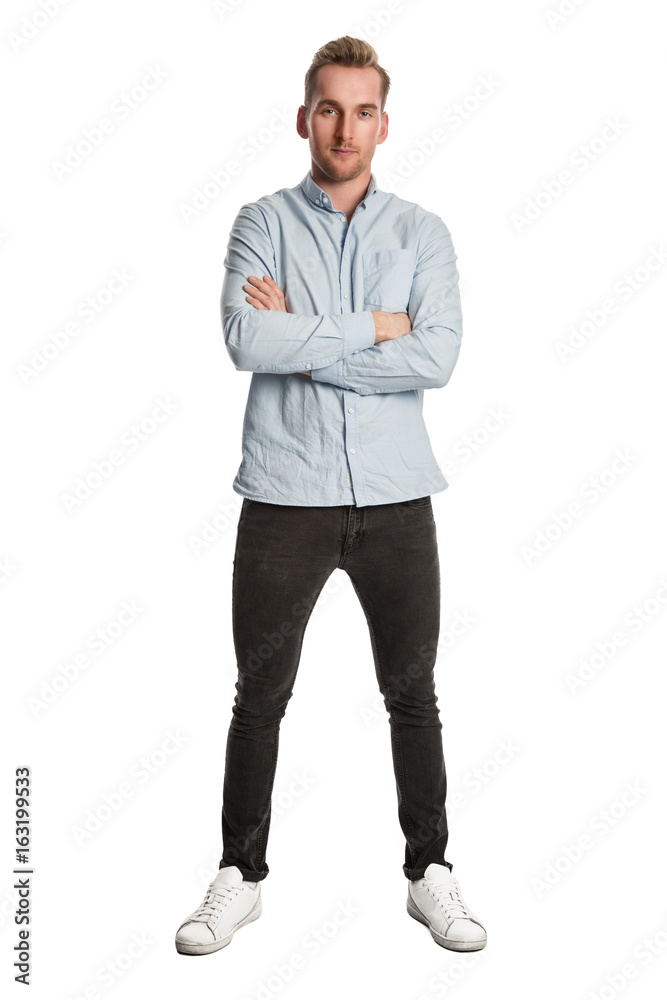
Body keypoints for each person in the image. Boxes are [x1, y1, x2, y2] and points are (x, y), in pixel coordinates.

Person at [175, 35, 486, 956]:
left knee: (412, 694)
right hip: (282, 497)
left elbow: (438, 356)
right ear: (302, 116)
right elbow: (245, 341)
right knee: (259, 695)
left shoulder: (421, 232)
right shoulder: (260, 222)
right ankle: (240, 875)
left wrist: (307, 339)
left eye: (361, 111)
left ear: (382, 124)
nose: (343, 127)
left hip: (396, 499)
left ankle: (429, 873)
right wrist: (373, 331)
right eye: (326, 107)